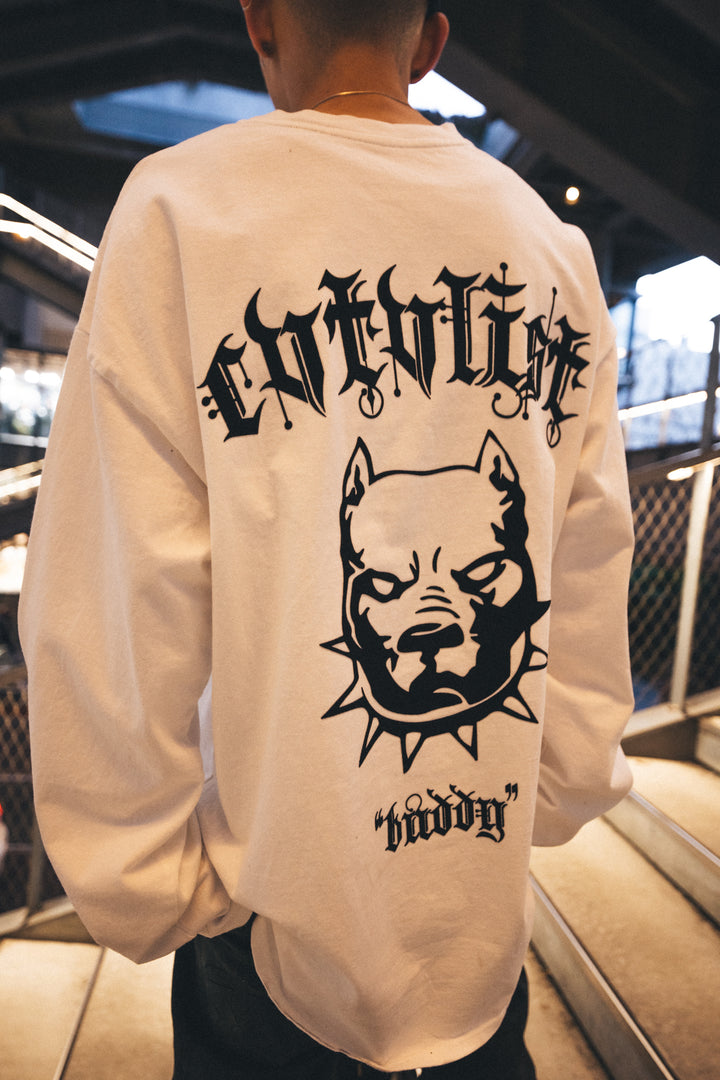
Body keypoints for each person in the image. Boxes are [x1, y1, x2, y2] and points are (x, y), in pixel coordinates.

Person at [18, 1, 635, 1076]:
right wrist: (555, 786)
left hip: (270, 941)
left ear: (261, 21)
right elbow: (586, 569)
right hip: (479, 933)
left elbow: (112, 598)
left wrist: (152, 882)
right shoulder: (553, 250)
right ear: (430, 43)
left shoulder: (181, 210)